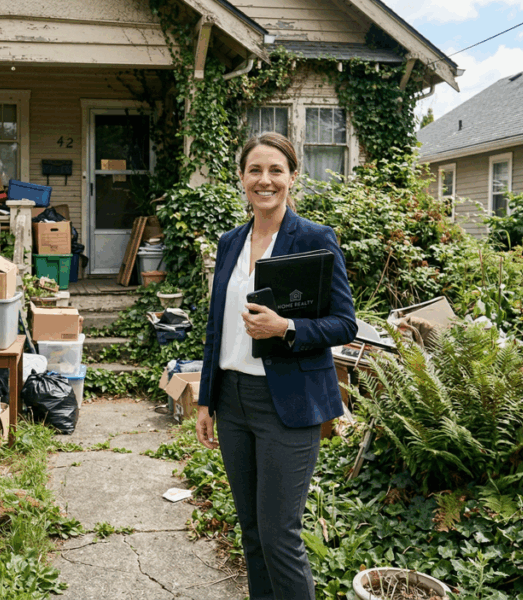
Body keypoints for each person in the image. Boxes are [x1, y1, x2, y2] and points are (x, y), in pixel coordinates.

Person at [196, 132, 357, 600]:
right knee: (251, 533)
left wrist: (286, 327)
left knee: (280, 537)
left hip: (286, 403)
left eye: (275, 171)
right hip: (232, 400)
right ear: (242, 178)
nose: (264, 181)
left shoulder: (313, 238)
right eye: (254, 171)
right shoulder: (230, 242)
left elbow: (344, 323)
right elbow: (215, 328)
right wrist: (206, 398)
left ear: (291, 177)